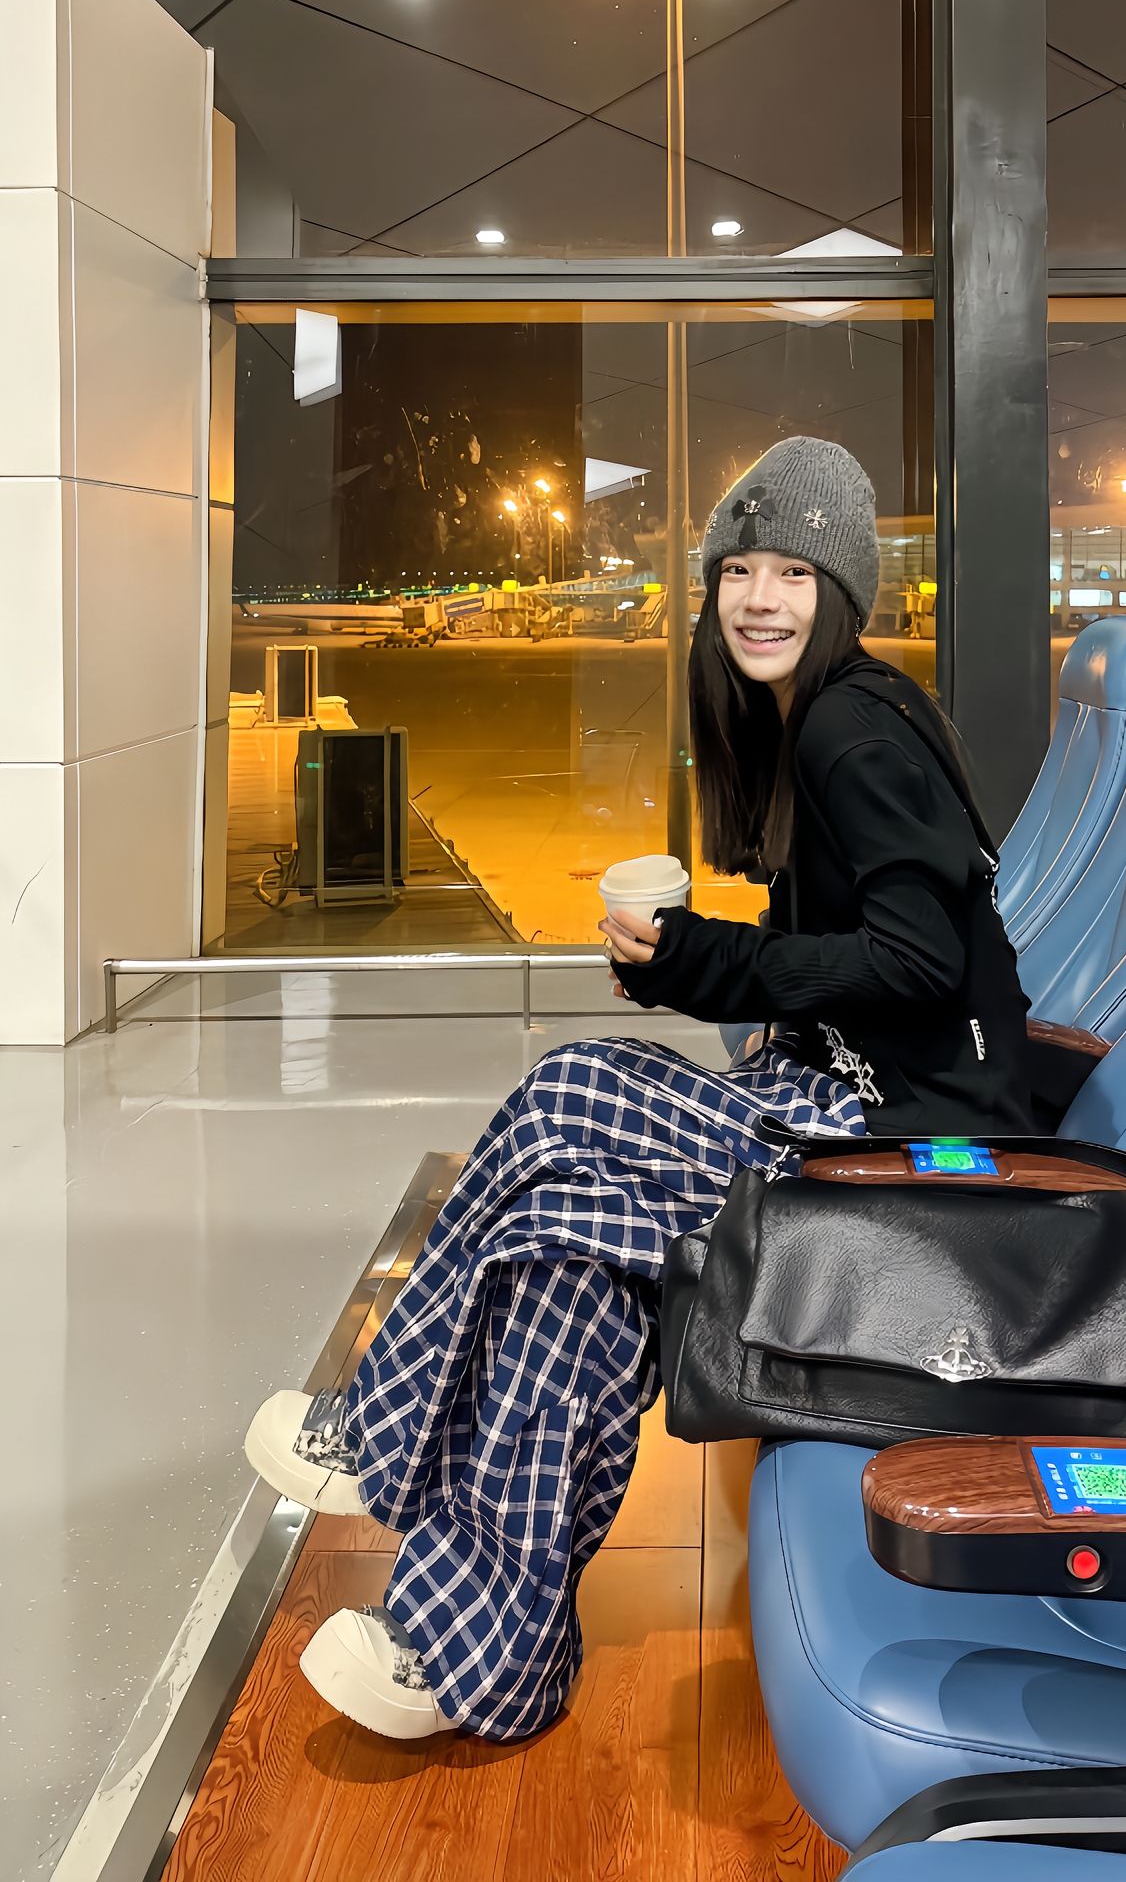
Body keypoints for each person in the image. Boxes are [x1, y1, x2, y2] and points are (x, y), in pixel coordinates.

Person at [242, 437, 1033, 1743]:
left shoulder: (848, 729)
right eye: (740, 571)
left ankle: (383, 1440)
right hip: (843, 1103)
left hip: (903, 1154)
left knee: (567, 1095)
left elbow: (918, 962)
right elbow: (855, 957)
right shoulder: (832, 716)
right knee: (572, 1247)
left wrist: (706, 962)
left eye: (794, 573)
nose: (760, 599)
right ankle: (477, 1646)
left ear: (842, 591)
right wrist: (699, 967)